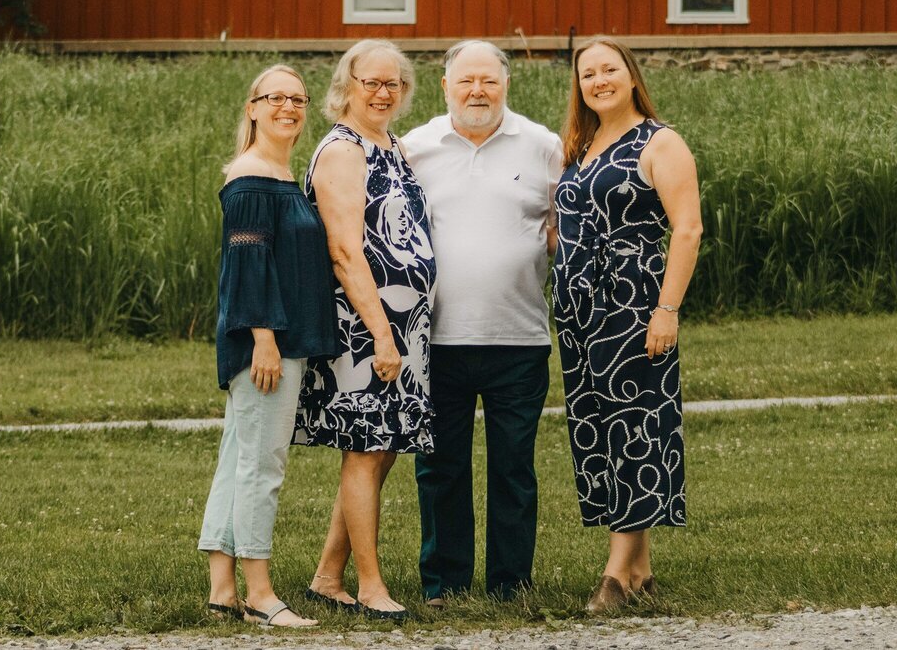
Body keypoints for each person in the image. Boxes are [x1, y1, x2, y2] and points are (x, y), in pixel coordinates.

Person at [402, 40, 562, 605]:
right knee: (440, 467)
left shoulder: (542, 145)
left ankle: (510, 584)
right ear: (445, 85)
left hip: (518, 338)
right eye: (466, 80)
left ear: (506, 86)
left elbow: (560, 229)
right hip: (435, 339)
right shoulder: (413, 148)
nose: (477, 91)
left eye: (489, 81)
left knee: (514, 468)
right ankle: (444, 582)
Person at [552, 36, 703, 615]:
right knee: (599, 429)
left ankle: (615, 576)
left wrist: (666, 310)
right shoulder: (584, 145)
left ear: (631, 75)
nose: (598, 80)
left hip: (633, 306)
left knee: (635, 427)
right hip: (579, 313)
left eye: (608, 69)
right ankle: (640, 570)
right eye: (587, 73)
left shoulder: (660, 142)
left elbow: (686, 229)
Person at [294, 39, 435, 622]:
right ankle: (371, 586)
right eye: (371, 82)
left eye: (393, 84)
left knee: (383, 451)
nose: (382, 93)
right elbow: (346, 251)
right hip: (364, 324)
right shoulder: (343, 151)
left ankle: (329, 576)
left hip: (407, 324)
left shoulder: (393, 146)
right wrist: (381, 333)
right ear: (346, 88)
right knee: (366, 447)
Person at [199, 64, 338, 629]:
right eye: (276, 97)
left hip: (276, 339)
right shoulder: (253, 178)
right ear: (252, 107)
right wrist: (264, 339)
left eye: (299, 98)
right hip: (267, 345)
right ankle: (261, 591)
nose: (290, 107)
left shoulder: (279, 174)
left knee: (239, 458)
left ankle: (222, 586)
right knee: (263, 465)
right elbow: (247, 263)